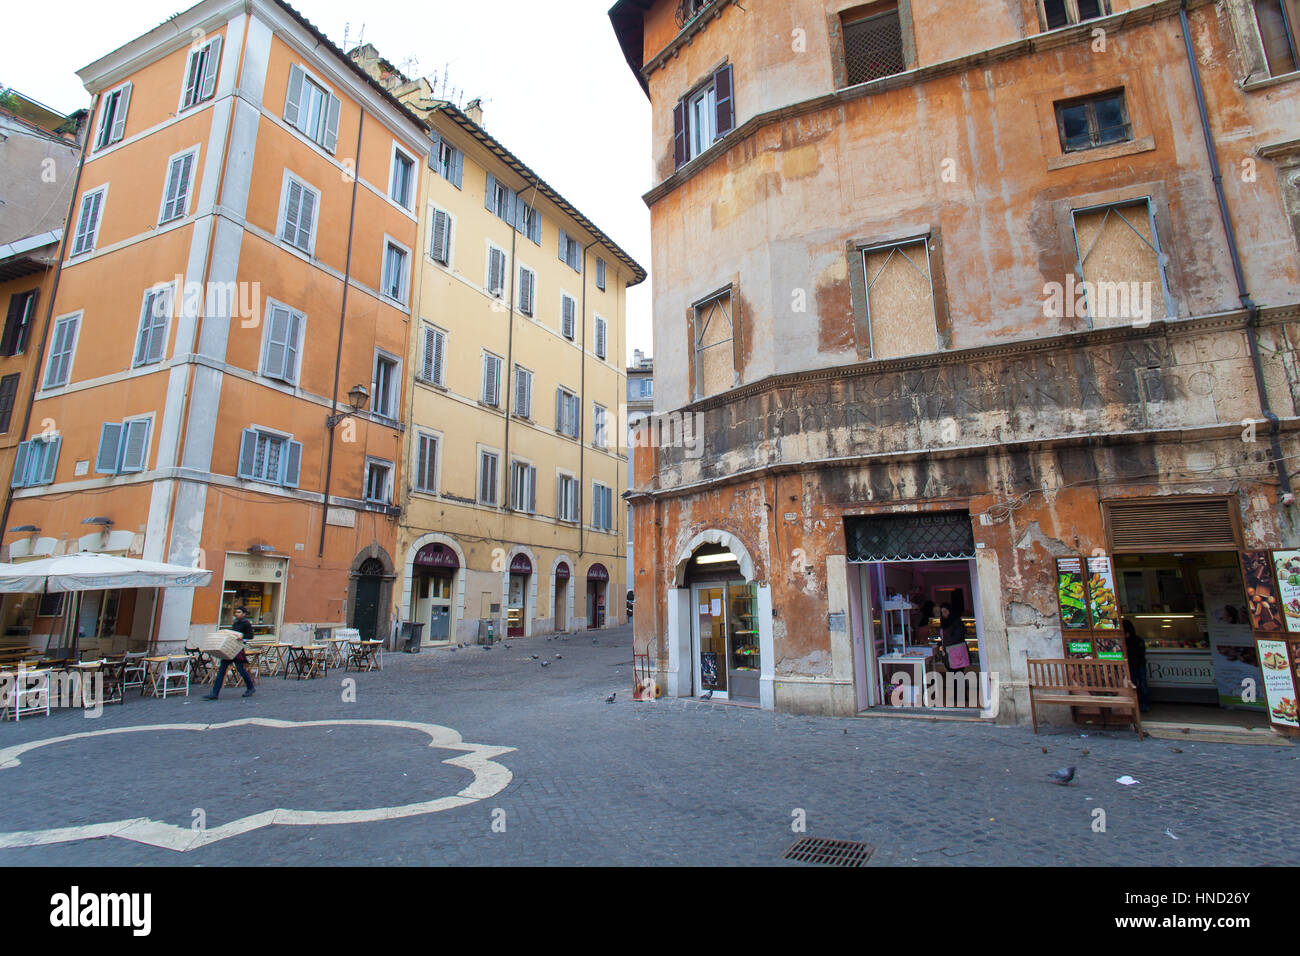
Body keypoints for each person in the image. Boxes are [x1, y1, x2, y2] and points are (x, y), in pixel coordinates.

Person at [204, 607, 256, 699]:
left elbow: (250, 636)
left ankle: (251, 687)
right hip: (229, 649)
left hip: (237, 650)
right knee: (221, 671)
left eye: (239, 612)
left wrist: (242, 637)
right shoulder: (236, 622)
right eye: (236, 612)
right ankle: (215, 693)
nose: (237, 613)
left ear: (244, 614)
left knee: (241, 670)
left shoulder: (246, 623)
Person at [1122, 618, 1149, 713]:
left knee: (1141, 684)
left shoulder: (1136, 640)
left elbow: (1140, 653)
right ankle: (1138, 703)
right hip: (1132, 665)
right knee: (1137, 684)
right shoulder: (1132, 640)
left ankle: (1143, 704)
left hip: (1137, 665)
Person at [939, 604, 970, 671]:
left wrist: (946, 642)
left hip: (957, 653)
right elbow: (943, 637)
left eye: (945, 611)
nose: (943, 614)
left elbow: (958, 635)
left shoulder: (956, 621)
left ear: (950, 611)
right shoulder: (943, 622)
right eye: (942, 612)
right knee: (952, 673)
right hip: (948, 653)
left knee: (958, 673)